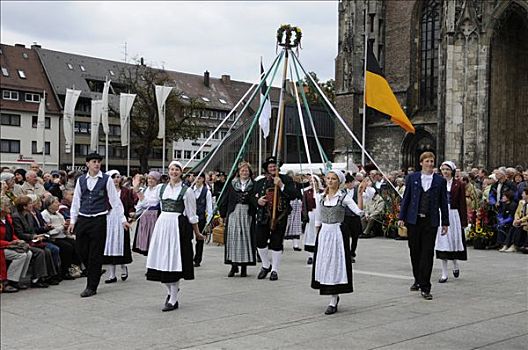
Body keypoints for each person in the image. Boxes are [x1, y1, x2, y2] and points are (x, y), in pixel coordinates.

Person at [68, 153, 129, 298]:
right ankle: (93, 270)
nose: (97, 164)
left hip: (99, 219)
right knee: (81, 249)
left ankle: (91, 286)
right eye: (94, 162)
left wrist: (123, 219)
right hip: (83, 218)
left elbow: (115, 201)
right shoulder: (81, 180)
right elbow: (76, 200)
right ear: (87, 164)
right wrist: (72, 220)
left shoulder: (106, 180)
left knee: (95, 253)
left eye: (99, 162)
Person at [145, 160, 204, 312]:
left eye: (177, 169)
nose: (174, 172)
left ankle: (173, 298)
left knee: (174, 261)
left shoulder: (187, 191)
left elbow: (192, 215)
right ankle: (170, 291)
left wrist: (197, 233)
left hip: (177, 227)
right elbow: (148, 202)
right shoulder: (160, 188)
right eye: (171, 169)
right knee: (161, 260)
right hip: (162, 225)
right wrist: (138, 189)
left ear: (181, 172)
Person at [311, 170, 366, 315]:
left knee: (335, 264)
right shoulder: (320, 197)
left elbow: (359, 211)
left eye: (333, 179)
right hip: (324, 234)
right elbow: (318, 217)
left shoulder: (343, 197)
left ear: (339, 181)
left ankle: (333, 299)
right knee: (325, 263)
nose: (330, 181)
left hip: (336, 234)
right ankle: (329, 292)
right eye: (328, 178)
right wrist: (318, 236)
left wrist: (360, 195)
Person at [398, 152, 449, 300]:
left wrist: (445, 222)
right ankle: (417, 279)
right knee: (415, 251)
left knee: (427, 253)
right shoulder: (412, 178)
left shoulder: (439, 181)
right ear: (421, 163)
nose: (430, 164)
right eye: (427, 161)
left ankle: (425, 286)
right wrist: (402, 217)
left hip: (430, 221)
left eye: (432, 161)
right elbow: (406, 199)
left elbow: (443, 203)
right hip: (414, 220)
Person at [254, 156, 297, 281]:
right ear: (267, 169)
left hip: (280, 217)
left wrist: (281, 185)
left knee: (277, 243)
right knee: (260, 241)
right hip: (263, 216)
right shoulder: (260, 182)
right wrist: (258, 201)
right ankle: (266, 265)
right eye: (270, 167)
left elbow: (294, 195)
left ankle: (275, 270)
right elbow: (252, 196)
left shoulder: (286, 179)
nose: (273, 168)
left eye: (274, 166)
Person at [218, 161, 257, 277]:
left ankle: (244, 266)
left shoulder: (253, 185)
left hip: (247, 214)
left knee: (245, 239)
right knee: (233, 238)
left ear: (250, 173)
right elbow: (225, 199)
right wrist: (223, 214)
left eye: (246, 170)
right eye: (242, 171)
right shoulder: (231, 184)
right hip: (234, 213)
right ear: (238, 173)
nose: (244, 172)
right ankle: (234, 266)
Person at [434, 161, 468, 283]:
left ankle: (455, 264)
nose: (445, 172)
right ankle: (444, 273)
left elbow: (462, 204)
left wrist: (464, 221)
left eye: (447, 170)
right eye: (443, 170)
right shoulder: (438, 183)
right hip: (441, 214)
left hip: (454, 214)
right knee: (443, 242)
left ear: (452, 171)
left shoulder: (459, 184)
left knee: (453, 241)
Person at [102, 170, 136, 284]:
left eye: (117, 177)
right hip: (109, 219)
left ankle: (123, 266)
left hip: (122, 220)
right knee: (110, 245)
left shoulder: (126, 191)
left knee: (121, 245)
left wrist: (131, 213)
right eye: (113, 177)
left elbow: (131, 205)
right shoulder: (105, 192)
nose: (116, 179)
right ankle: (112, 274)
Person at [41, 196, 79, 280]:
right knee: (67, 247)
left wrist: (66, 227)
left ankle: (76, 268)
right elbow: (49, 231)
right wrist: (62, 227)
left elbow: (63, 227)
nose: (58, 204)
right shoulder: (45, 214)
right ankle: (64, 271)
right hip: (53, 238)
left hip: (62, 235)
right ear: (49, 204)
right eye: (56, 202)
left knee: (76, 244)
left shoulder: (59, 214)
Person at [0, 196, 33, 293]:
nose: (10, 208)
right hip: (2, 247)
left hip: (9, 245)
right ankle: (10, 281)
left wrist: (18, 241)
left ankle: (18, 279)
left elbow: (12, 234)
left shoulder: (8, 218)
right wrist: (10, 243)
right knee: (20, 255)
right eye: (7, 206)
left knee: (29, 253)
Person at [132, 171, 162, 255]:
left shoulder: (159, 189)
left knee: (152, 237)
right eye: (149, 178)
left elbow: (149, 203)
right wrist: (135, 213)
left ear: (157, 180)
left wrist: (138, 191)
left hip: (154, 216)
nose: (150, 180)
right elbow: (141, 204)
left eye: (153, 179)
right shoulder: (145, 189)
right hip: (144, 217)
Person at [191, 173, 213, 267]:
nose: (197, 180)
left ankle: (197, 259)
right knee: (188, 238)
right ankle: (189, 257)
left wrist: (208, 220)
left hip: (201, 218)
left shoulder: (206, 192)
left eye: (199, 178)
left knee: (199, 239)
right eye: (195, 178)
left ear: (203, 179)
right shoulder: (190, 190)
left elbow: (209, 207)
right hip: (190, 218)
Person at [303, 175, 322, 265]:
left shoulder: (322, 192)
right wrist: (305, 216)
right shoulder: (307, 192)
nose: (312, 182)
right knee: (311, 234)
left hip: (321, 214)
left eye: (314, 181)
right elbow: (304, 205)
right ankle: (311, 255)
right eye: (310, 181)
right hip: (311, 214)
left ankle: (319, 254)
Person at [343, 174, 362, 262]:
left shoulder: (357, 191)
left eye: (351, 182)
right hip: (345, 217)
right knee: (345, 236)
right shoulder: (342, 192)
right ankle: (346, 253)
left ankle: (352, 252)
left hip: (355, 217)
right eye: (348, 183)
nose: (350, 184)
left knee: (355, 236)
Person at [284, 173, 304, 251]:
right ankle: (281, 244)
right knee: (285, 224)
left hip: (296, 206)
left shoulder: (297, 185)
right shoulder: (285, 185)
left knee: (296, 225)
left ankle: (295, 245)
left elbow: (304, 185)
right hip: (288, 206)